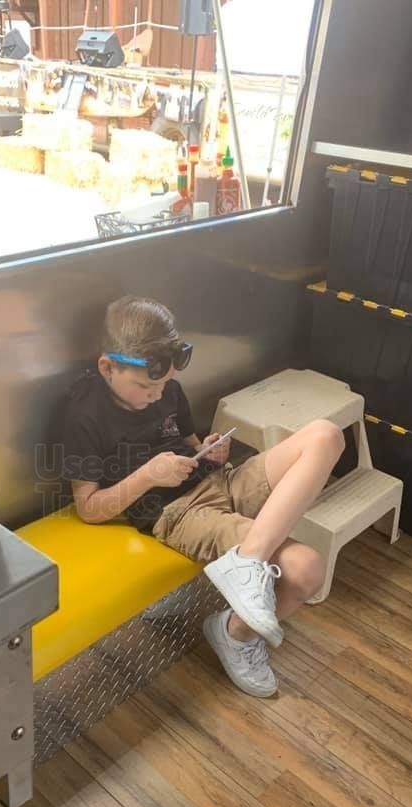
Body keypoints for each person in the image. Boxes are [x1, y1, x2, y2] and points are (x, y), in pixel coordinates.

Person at [61, 296, 345, 698]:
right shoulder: (84, 415)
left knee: (325, 434)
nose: (156, 395)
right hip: (179, 512)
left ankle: (246, 567)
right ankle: (236, 634)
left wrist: (209, 449)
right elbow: (89, 508)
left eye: (163, 385)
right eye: (145, 387)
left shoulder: (169, 391)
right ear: (108, 367)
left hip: (218, 480)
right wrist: (148, 475)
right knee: (306, 570)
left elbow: (188, 441)